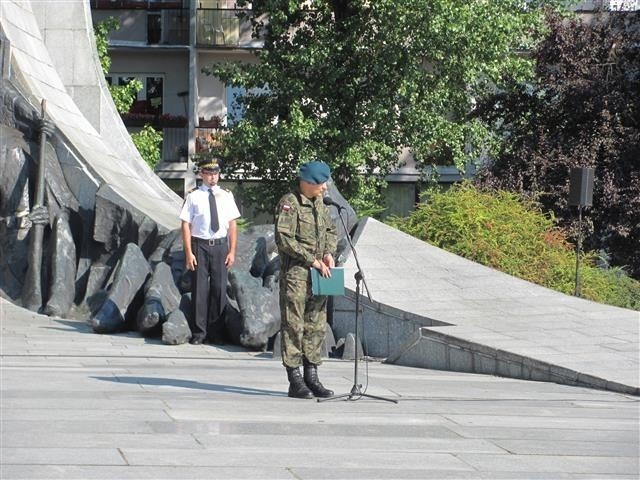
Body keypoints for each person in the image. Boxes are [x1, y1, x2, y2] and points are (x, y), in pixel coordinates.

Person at [275, 160, 338, 399]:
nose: (324, 188)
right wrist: (312, 260)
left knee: (316, 323)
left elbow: (331, 230)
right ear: (308, 183)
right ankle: (295, 380)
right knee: (294, 325)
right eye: (321, 184)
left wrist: (329, 253)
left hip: (320, 274)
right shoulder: (289, 203)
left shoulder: (321, 203)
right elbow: (284, 240)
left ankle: (312, 376)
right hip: (297, 276)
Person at [180, 158, 240, 345]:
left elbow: (232, 225)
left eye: (215, 174)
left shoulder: (226, 195)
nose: (212, 177)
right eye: (209, 174)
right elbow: (185, 224)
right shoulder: (193, 196)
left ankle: (216, 332)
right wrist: (189, 252)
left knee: (219, 289)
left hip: (220, 246)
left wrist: (232, 251)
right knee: (199, 290)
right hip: (200, 245)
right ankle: (199, 333)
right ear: (202, 175)